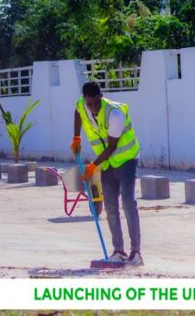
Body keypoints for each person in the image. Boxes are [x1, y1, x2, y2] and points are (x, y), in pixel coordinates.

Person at [70, 81, 143, 266]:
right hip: (107, 164)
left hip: (126, 159)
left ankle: (136, 253)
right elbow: (78, 112)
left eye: (95, 103)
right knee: (110, 206)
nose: (92, 108)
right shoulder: (83, 105)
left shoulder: (115, 113)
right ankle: (118, 251)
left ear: (100, 97)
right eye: (89, 104)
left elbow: (112, 146)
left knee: (127, 202)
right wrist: (76, 136)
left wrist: (92, 166)